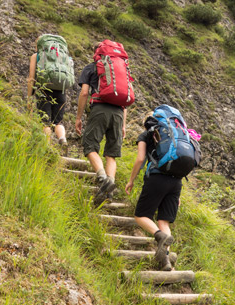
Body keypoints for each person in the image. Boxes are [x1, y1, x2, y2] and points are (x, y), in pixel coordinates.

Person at [125, 114, 182, 272]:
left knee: (141, 216)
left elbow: (140, 159)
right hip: (176, 181)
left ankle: (159, 236)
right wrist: (178, 195)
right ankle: (166, 261)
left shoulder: (146, 135)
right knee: (164, 221)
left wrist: (131, 180)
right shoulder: (173, 135)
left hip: (157, 177)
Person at [75, 47, 128, 206]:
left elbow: (84, 93)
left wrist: (79, 117)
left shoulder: (91, 68)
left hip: (99, 109)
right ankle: (109, 189)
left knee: (89, 145)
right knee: (111, 154)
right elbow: (125, 98)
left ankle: (103, 178)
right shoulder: (121, 70)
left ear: (96, 53)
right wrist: (123, 124)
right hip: (118, 112)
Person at [27, 39, 68, 147]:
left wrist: (29, 97)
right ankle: (62, 139)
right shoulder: (62, 57)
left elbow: (31, 78)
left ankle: (48, 146)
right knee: (57, 122)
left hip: (44, 90)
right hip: (61, 91)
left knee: (45, 122)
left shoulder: (36, 56)